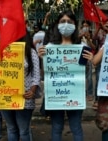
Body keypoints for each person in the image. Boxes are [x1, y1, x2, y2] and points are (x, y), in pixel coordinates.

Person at [38, 10, 92, 141]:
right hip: (56, 95)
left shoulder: (82, 47)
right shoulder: (49, 47)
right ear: (57, 25)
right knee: (56, 127)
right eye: (63, 22)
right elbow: (44, 75)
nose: (66, 24)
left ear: (75, 25)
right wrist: (41, 59)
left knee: (76, 127)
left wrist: (91, 59)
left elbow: (85, 72)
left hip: (75, 94)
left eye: (69, 22)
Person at [92, 19, 108, 109]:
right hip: (100, 59)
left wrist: (107, 29)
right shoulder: (100, 33)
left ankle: (104, 99)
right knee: (98, 79)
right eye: (106, 24)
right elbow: (93, 39)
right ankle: (96, 100)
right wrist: (98, 28)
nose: (107, 26)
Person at [79, 20, 96, 101]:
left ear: (89, 27)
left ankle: (89, 93)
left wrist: (89, 39)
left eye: (87, 26)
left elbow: (94, 48)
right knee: (80, 76)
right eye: (84, 26)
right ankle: (81, 92)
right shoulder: (78, 34)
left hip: (88, 57)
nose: (85, 27)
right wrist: (81, 36)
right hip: (79, 57)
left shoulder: (92, 35)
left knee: (89, 77)